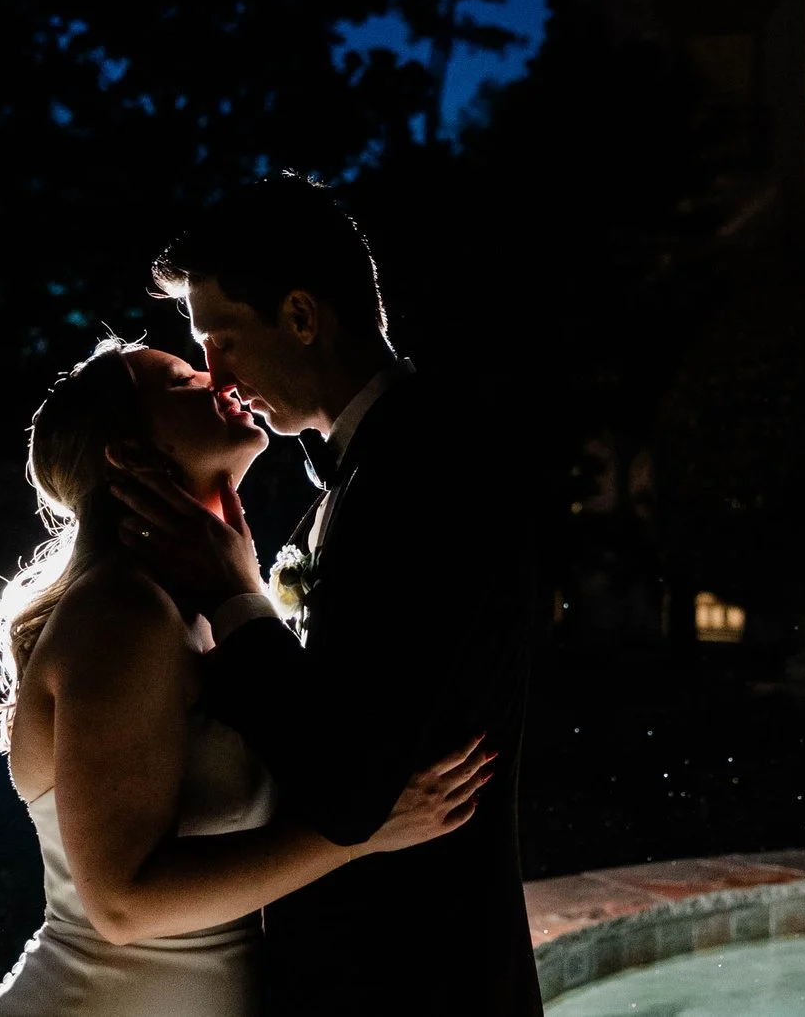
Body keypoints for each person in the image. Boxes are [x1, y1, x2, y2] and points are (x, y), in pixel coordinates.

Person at [111, 175, 545, 1017]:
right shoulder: (376, 467)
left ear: (303, 316)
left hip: (417, 984)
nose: (217, 376)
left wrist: (235, 596)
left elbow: (349, 786)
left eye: (223, 339)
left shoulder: (425, 472)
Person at [0, 336, 493, 1017]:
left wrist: (241, 590)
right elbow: (123, 904)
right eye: (182, 381)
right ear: (128, 452)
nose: (217, 379)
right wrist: (362, 830)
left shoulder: (188, 607)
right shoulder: (123, 611)